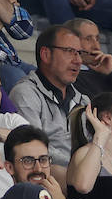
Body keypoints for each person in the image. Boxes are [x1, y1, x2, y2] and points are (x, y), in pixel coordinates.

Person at [8, 25, 91, 173]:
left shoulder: (83, 100)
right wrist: (81, 166)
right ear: (45, 54)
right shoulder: (25, 93)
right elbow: (34, 148)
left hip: (83, 175)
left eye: (79, 53)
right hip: (46, 175)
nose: (78, 60)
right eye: (70, 51)